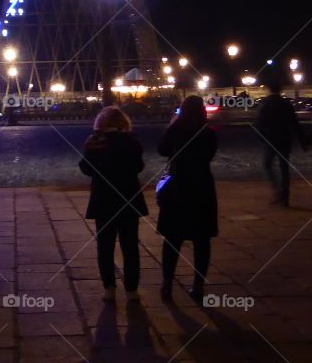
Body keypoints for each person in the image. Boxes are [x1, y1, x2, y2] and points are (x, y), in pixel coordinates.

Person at [78, 106, 147, 301]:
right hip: (128, 198)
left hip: (104, 199)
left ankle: (109, 288)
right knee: (130, 246)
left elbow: (86, 168)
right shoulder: (132, 142)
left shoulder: (96, 142)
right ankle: (132, 290)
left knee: (105, 247)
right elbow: (138, 167)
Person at [157, 95, 218, 305]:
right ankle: (198, 284)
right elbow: (209, 156)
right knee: (202, 240)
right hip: (201, 188)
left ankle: (167, 283)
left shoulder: (175, 131)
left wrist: (172, 126)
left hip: (177, 188)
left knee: (172, 239)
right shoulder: (208, 133)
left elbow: (162, 150)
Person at [256, 80, 303, 205]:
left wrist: (262, 138)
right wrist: (303, 140)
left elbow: (259, 124)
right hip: (284, 139)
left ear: (269, 90)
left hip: (270, 140)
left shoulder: (265, 103)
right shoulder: (286, 103)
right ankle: (285, 195)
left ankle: (277, 190)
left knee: (267, 165)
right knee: (284, 168)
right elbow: (295, 123)